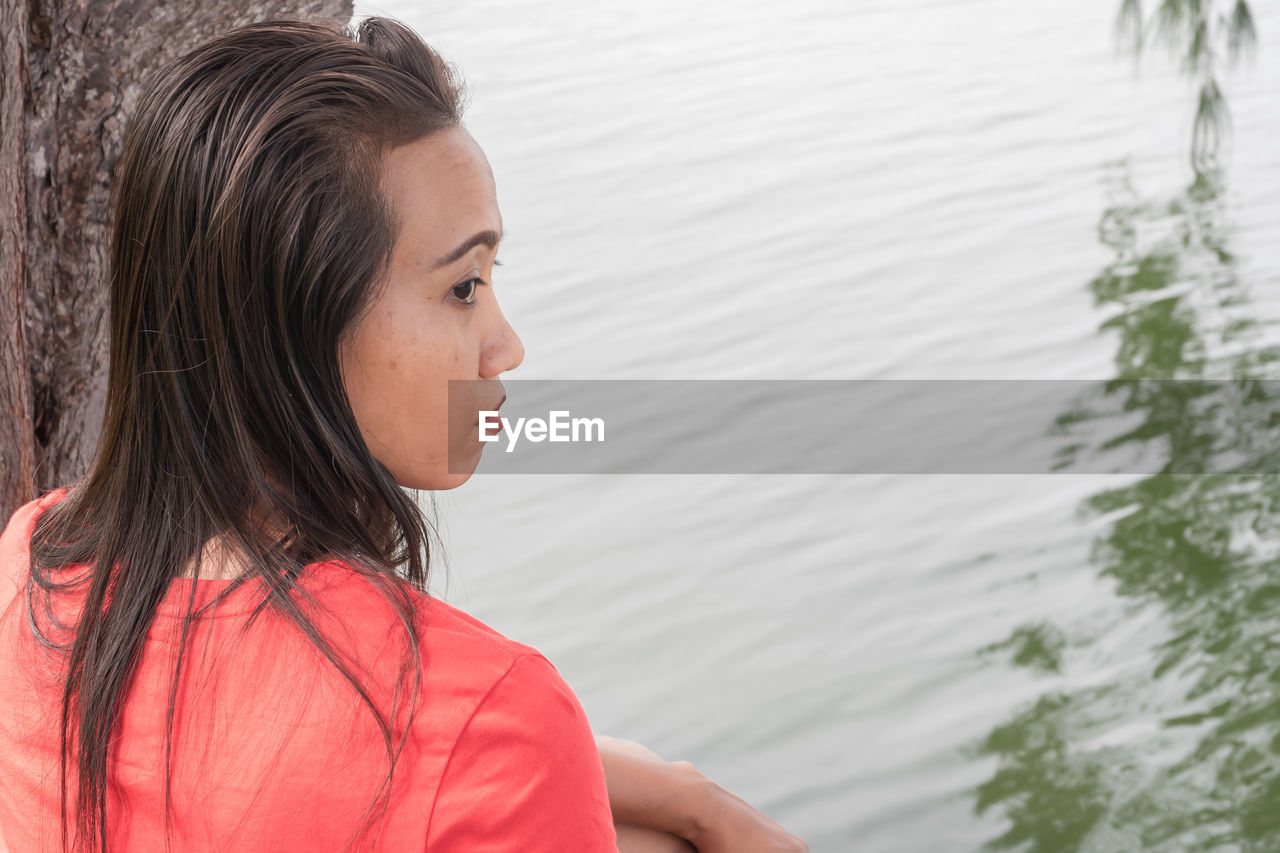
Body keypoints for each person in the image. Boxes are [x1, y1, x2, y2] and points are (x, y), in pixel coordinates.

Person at [0, 15, 807, 853]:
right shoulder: (485, 707)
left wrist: (682, 793)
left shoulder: (33, 572)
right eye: (463, 286)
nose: (507, 345)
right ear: (296, 319)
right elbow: (458, 752)